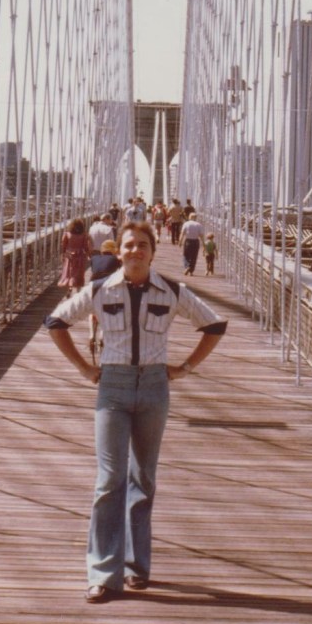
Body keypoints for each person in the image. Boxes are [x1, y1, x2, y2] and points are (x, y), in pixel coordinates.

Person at [44, 220, 227, 603]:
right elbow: (56, 322)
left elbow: (214, 325)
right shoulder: (99, 289)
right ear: (119, 250)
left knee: (143, 478)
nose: (135, 251)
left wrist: (186, 368)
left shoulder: (172, 291)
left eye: (142, 245)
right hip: (112, 387)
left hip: (154, 389)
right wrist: (83, 367)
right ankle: (102, 574)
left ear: (152, 251)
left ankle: (136, 567)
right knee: (109, 479)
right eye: (128, 245)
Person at [58, 218, 92, 296]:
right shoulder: (84, 235)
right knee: (78, 272)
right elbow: (85, 247)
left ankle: (69, 288)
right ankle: (78, 290)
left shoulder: (67, 234)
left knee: (69, 272)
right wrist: (88, 255)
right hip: (80, 255)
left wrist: (62, 254)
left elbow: (63, 246)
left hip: (69, 255)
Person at [180, 212, 204, 276]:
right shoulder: (199, 224)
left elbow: (182, 233)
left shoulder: (186, 224)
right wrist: (203, 244)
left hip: (188, 241)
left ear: (189, 217)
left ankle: (187, 266)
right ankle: (191, 270)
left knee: (186, 255)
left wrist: (180, 241)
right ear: (195, 218)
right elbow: (201, 235)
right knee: (194, 256)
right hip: (196, 241)